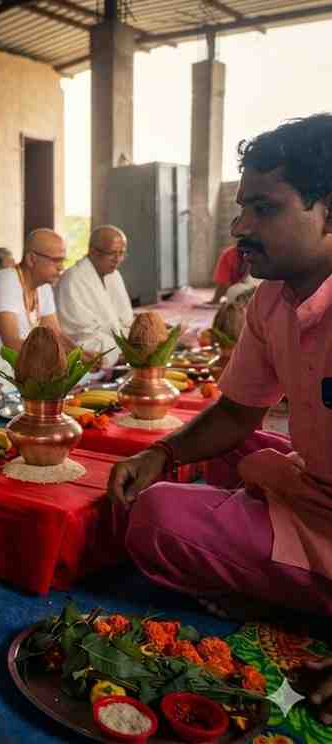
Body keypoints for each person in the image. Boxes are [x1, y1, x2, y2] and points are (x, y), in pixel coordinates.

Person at [107, 115, 332, 723]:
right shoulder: (270, 300)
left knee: (158, 518)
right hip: (313, 486)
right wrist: (160, 453)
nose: (239, 229)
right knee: (226, 449)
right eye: (242, 209)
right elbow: (237, 411)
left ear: (329, 212)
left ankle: (296, 600)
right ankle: (278, 577)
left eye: (264, 209)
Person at [0, 228, 67, 361]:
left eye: (62, 260)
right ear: (31, 259)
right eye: (56, 260)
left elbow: (56, 336)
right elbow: (12, 344)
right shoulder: (6, 281)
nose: (61, 267)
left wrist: (83, 356)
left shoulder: (44, 286)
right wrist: (55, 363)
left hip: (17, 365)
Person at [56, 225, 134, 367]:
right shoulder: (73, 279)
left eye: (121, 253)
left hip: (119, 353)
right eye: (112, 253)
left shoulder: (114, 276)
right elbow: (81, 335)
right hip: (88, 358)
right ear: (93, 251)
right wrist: (121, 353)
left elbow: (125, 321)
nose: (117, 259)